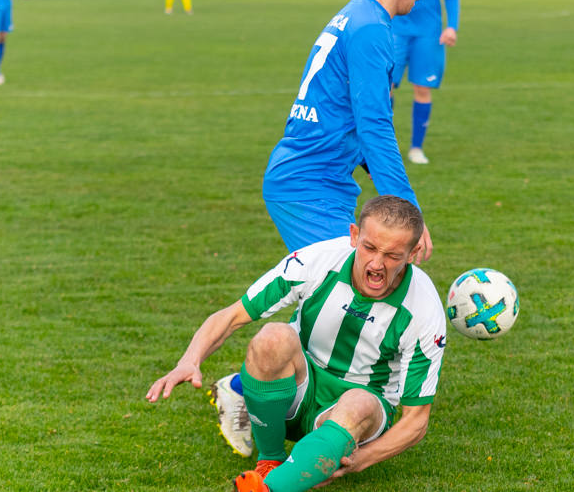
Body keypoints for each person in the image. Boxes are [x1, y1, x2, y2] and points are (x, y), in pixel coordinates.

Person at [146, 196, 446, 492]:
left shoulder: (423, 309)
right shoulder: (317, 260)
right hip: (299, 385)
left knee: (357, 403)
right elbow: (233, 315)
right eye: (369, 248)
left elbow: (416, 420)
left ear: (413, 252)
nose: (377, 264)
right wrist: (190, 359)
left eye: (393, 255)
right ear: (354, 236)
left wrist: (362, 459)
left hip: (363, 406)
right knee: (272, 337)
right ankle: (270, 460)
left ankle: (267, 488)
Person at [261, 0, 434, 262]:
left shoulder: (356, 15)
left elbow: (353, 121)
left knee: (348, 298)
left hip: (315, 181)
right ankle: (232, 318)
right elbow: (374, 126)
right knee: (358, 293)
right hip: (309, 186)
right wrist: (406, 210)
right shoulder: (371, 28)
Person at [391, 0, 460, 165]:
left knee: (422, 88)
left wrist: (452, 26)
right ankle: (381, 148)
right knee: (383, 88)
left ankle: (416, 148)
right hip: (395, 30)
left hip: (428, 33)